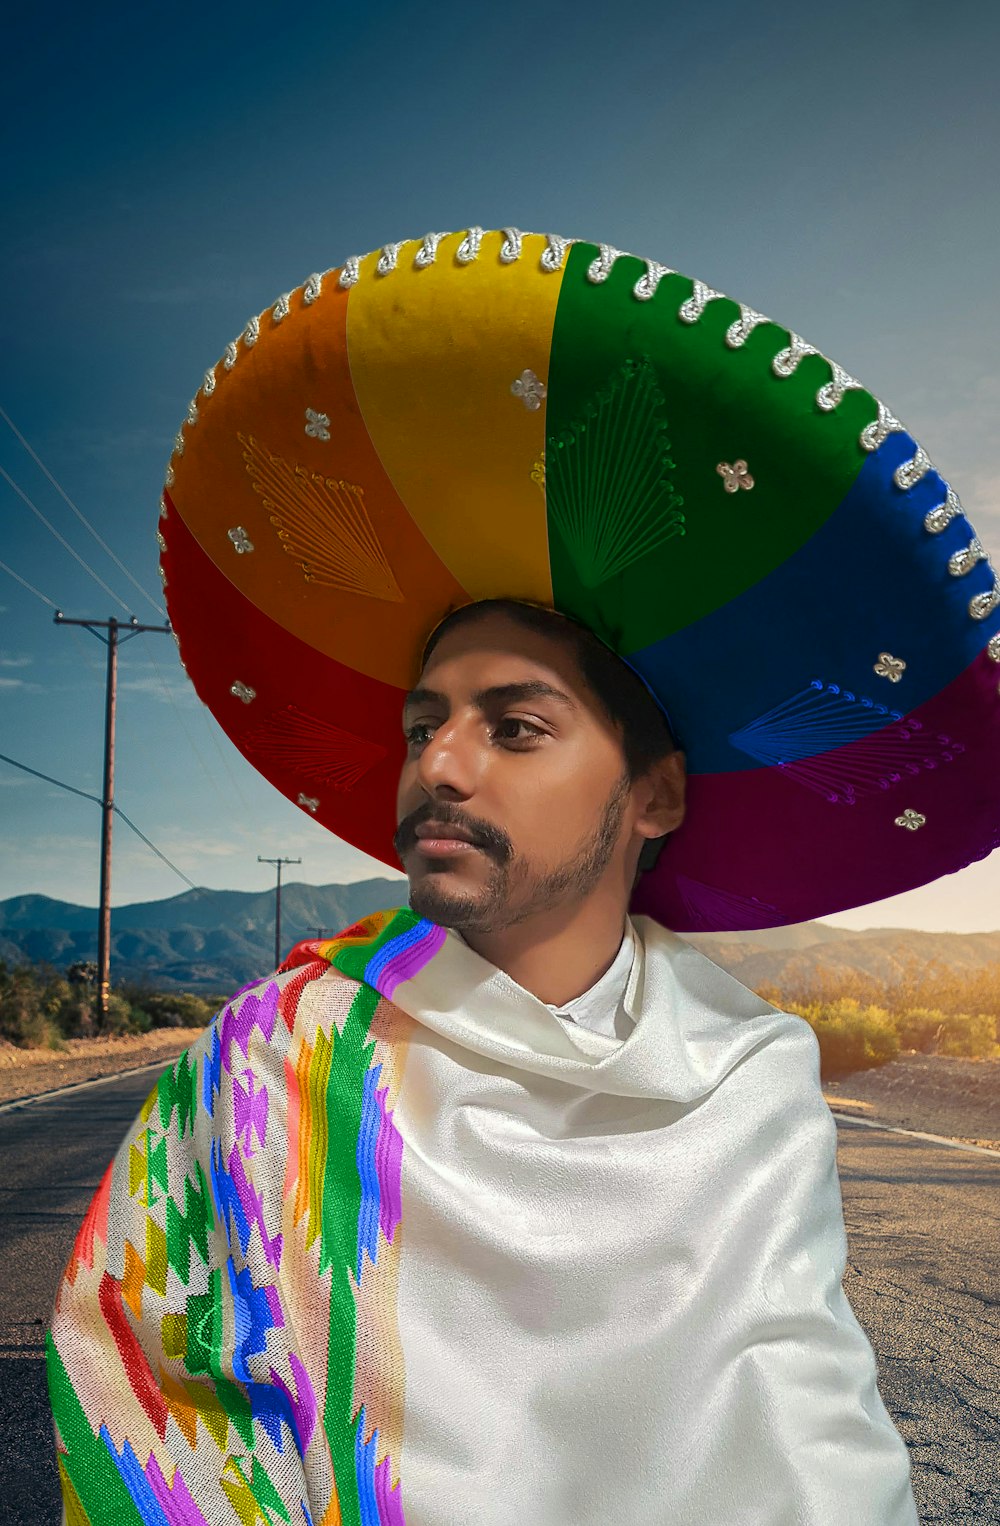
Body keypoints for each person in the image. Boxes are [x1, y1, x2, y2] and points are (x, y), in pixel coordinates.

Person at [49, 226, 1000, 1525]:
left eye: (515, 724)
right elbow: (147, 1412)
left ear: (653, 792)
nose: (439, 761)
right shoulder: (278, 1060)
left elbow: (817, 1448)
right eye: (423, 720)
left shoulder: (753, 1074)